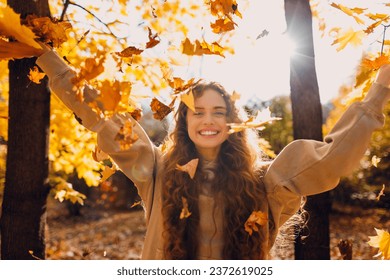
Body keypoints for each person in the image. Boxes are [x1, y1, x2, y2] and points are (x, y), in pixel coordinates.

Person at [33, 47, 390, 259]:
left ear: (232, 122)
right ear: (184, 121)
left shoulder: (265, 181)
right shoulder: (156, 171)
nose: (208, 120)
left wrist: (381, 87)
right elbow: (105, 119)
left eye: (218, 112)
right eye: (197, 112)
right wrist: (48, 58)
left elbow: (333, 160)